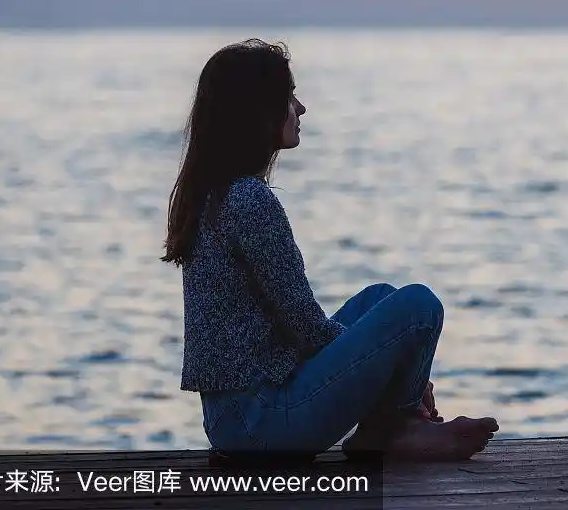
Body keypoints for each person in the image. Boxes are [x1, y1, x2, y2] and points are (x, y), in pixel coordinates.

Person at [163, 38, 499, 461]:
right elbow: (308, 328)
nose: (300, 109)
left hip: (237, 418)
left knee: (381, 298)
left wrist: (394, 368)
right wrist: (401, 378)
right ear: (257, 111)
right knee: (418, 306)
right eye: (288, 97)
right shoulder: (248, 200)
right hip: (260, 424)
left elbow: (300, 333)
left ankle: (394, 427)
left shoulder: (218, 194)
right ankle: (399, 428)